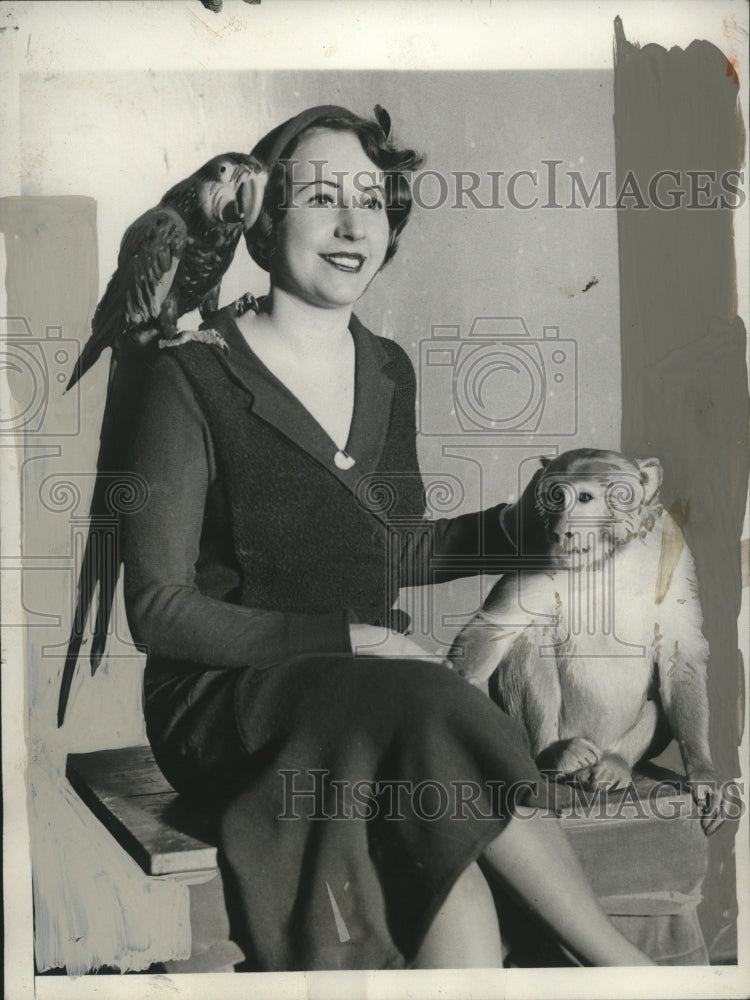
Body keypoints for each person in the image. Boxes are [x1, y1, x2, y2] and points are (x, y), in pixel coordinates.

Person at [121, 104, 654, 971]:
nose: (350, 223)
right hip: (227, 701)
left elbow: (392, 550)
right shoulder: (190, 375)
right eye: (322, 197)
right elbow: (156, 610)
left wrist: (530, 530)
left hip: (373, 696)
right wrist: (352, 637)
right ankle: (619, 965)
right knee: (438, 698)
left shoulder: (387, 370)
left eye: (372, 201)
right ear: (262, 219)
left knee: (453, 877)